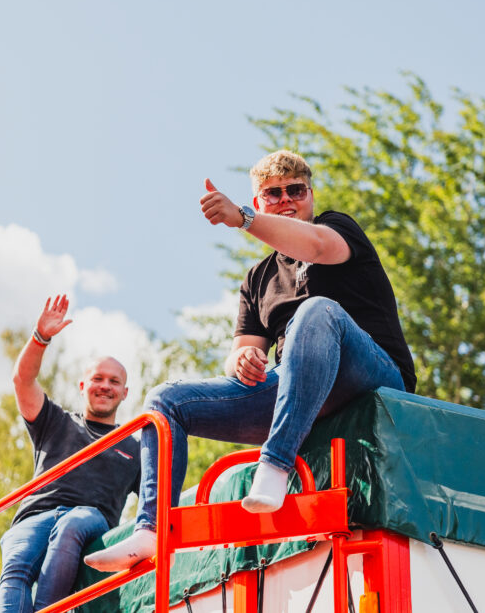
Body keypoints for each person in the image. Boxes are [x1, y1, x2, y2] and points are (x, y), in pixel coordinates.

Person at [85, 150, 416, 572]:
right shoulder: (258, 279)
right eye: (272, 194)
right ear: (261, 200)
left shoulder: (336, 227)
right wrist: (242, 361)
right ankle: (151, 531)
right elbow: (242, 348)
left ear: (310, 195)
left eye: (295, 190)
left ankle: (275, 465)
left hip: (371, 372)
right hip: (298, 384)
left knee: (316, 312)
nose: (285, 200)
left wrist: (242, 218)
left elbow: (314, 245)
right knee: (165, 400)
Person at [0, 295, 141, 612]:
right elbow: (23, 380)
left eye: (113, 381)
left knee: (74, 522)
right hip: (36, 515)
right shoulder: (55, 421)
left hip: (90, 520)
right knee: (17, 565)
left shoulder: (134, 447)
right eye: (97, 379)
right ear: (82, 385)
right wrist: (40, 337)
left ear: (124, 392)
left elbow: (156, 497)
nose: (104, 386)